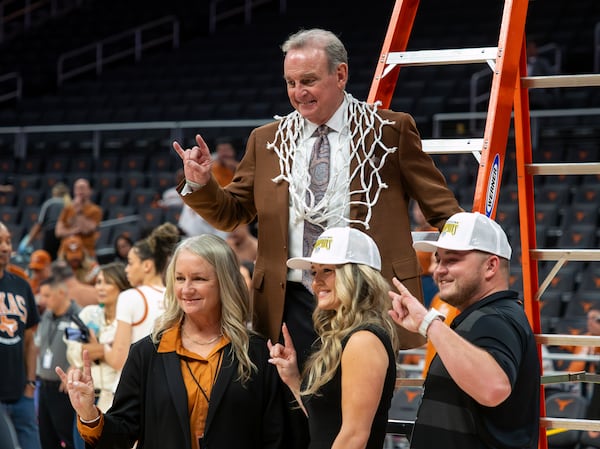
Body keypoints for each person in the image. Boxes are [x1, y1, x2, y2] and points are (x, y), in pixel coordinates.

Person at [173, 28, 462, 368]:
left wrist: (470, 255)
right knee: (293, 408)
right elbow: (231, 215)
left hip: (365, 295)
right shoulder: (266, 140)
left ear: (340, 75)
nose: (298, 93)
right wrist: (202, 184)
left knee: (360, 406)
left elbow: (441, 207)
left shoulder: (388, 130)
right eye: (290, 82)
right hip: (290, 298)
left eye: (308, 80)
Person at [56, 234, 284, 449]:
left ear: (225, 282)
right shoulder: (146, 353)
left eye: (199, 278)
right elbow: (122, 435)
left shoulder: (257, 352)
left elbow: (276, 436)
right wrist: (89, 414)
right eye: (179, 279)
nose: (186, 289)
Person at [388, 212, 540, 449]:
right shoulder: (481, 317)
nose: (439, 270)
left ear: (491, 266)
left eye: (452, 260)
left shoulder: (495, 319)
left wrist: (429, 323)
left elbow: (493, 388)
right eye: (439, 260)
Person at [268, 227, 398, 449]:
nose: (315, 282)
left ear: (356, 276)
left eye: (327, 270)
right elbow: (327, 425)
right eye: (313, 272)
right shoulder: (347, 336)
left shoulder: (364, 340)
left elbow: (354, 437)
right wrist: (293, 379)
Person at [103, 222, 180, 373]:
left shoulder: (130, 297)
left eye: (130, 263)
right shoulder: (175, 296)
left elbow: (119, 361)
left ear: (147, 266)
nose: (126, 269)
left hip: (135, 386)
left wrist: (101, 347)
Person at [65, 262, 131, 413]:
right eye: (98, 282)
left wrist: (92, 350)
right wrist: (106, 349)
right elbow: (71, 350)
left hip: (114, 401)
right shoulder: (87, 313)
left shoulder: (129, 322)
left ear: (122, 286)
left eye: (107, 282)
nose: (100, 287)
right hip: (83, 399)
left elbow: (122, 362)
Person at [0, 221, 42, 449]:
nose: (6, 247)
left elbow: (29, 340)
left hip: (20, 394)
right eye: (0, 242)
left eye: (7, 241)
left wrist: (30, 385)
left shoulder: (21, 286)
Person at [35, 276, 83, 449]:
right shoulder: (47, 315)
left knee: (68, 438)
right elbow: (38, 344)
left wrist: (74, 367)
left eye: (47, 295)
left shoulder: (76, 316)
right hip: (45, 386)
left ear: (62, 293)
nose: (42, 300)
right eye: (42, 295)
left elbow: (81, 348)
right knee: (46, 438)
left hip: (64, 389)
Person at [20, 181, 71, 260]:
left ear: (54, 192)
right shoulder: (69, 204)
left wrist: (27, 242)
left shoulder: (49, 203)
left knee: (48, 260)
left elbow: (39, 224)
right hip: (66, 235)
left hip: (51, 235)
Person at [55, 178, 103, 257]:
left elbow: (87, 230)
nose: (80, 191)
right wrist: (73, 231)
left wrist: (78, 213)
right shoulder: (67, 209)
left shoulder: (96, 210)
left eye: (83, 188)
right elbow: (58, 232)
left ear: (90, 191)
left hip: (86, 253)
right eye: (77, 188)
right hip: (65, 252)